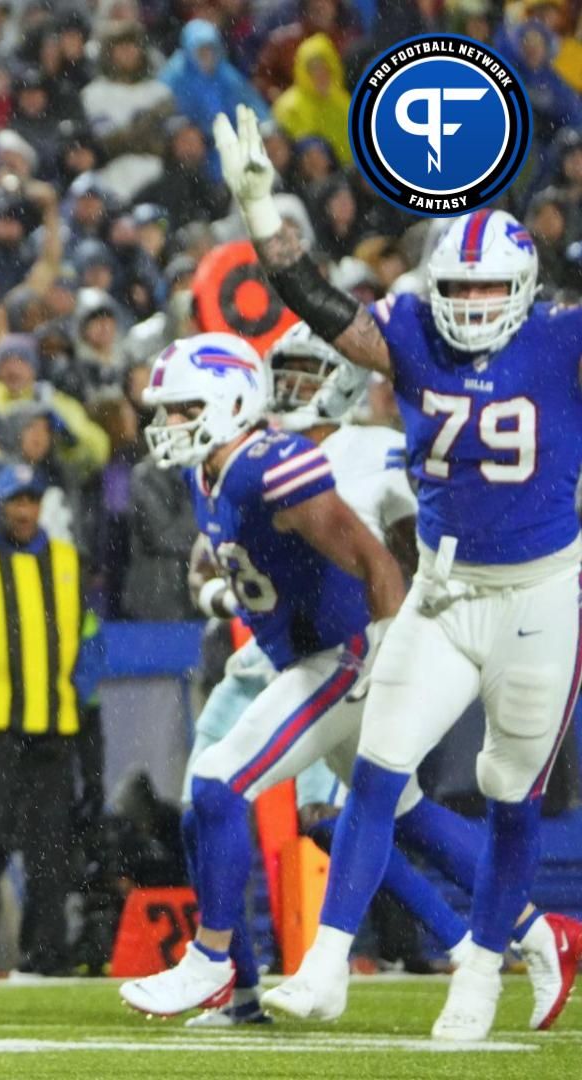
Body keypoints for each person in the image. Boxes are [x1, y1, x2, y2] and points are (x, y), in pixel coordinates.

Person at [216, 104, 582, 1039]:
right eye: (453, 289)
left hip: (539, 598)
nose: (467, 307)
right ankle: (328, 965)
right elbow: (320, 307)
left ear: (525, 285)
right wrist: (264, 223)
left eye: (484, 290)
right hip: (442, 593)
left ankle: (481, 976)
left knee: (509, 795)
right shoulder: (414, 331)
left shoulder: (559, 341)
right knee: (376, 773)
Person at [0, 462, 100, 978]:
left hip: (54, 727)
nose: (24, 511)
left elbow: (88, 639)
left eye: (31, 500)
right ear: (0, 504)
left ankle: (46, 956)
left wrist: (85, 711)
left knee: (50, 852)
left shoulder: (67, 560)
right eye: (16, 500)